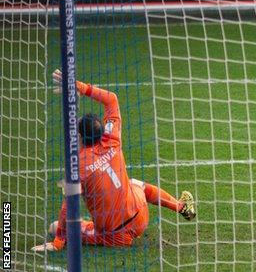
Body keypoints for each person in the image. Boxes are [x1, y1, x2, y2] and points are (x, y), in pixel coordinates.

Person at [32, 70, 196, 251]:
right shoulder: (111, 139)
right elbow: (111, 99)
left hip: (117, 236)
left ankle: (73, 236)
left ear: (79, 136)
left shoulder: (78, 165)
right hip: (141, 215)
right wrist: (81, 87)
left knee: (54, 227)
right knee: (135, 184)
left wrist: (57, 242)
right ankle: (181, 207)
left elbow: (68, 206)